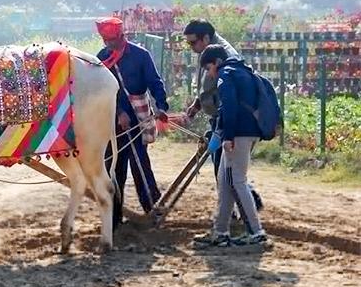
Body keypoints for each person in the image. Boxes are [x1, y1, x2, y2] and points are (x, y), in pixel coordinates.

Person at [95, 17, 169, 229]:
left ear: (122, 36)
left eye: (112, 40)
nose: (109, 44)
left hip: (138, 118)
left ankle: (152, 208)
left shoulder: (140, 56)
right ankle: (114, 218)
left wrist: (162, 105)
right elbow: (100, 91)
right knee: (114, 168)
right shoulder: (101, 59)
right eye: (105, 40)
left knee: (140, 165)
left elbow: (155, 82)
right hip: (113, 121)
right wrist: (118, 112)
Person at [182, 19, 264, 212]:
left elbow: (231, 95)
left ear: (206, 38)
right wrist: (198, 104)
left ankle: (241, 212)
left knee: (226, 171)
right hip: (221, 118)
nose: (191, 47)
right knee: (225, 169)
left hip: (230, 121)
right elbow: (209, 86)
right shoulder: (208, 52)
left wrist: (226, 130)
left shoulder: (226, 55)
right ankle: (246, 206)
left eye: (193, 42)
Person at [193, 45, 268, 247]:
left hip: (239, 134)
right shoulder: (243, 71)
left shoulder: (225, 74)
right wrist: (221, 132)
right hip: (247, 132)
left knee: (237, 181)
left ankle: (256, 232)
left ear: (216, 62)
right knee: (225, 180)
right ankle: (221, 231)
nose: (209, 73)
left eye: (208, 68)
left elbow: (229, 106)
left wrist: (227, 136)